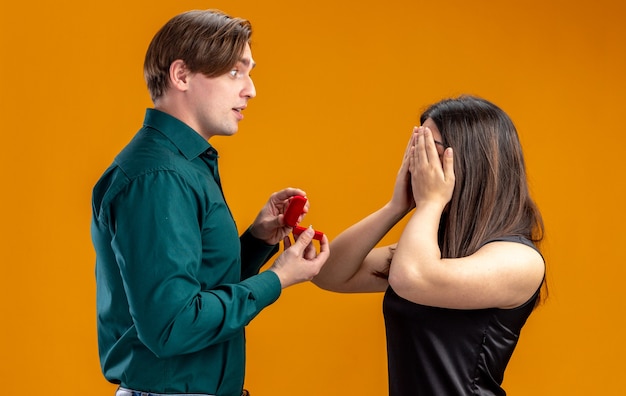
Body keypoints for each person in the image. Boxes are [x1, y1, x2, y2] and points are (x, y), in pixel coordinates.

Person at [91, 9, 329, 396]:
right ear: (181, 75)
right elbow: (173, 325)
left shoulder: (182, 166)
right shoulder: (160, 177)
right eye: (235, 71)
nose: (251, 89)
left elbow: (193, 290)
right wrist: (277, 280)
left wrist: (257, 240)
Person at [313, 95, 546, 395]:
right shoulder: (432, 251)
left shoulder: (520, 259)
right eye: (416, 151)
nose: (419, 165)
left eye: (429, 152)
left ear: (469, 161)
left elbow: (411, 279)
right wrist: (395, 206)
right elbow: (329, 273)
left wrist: (431, 202)